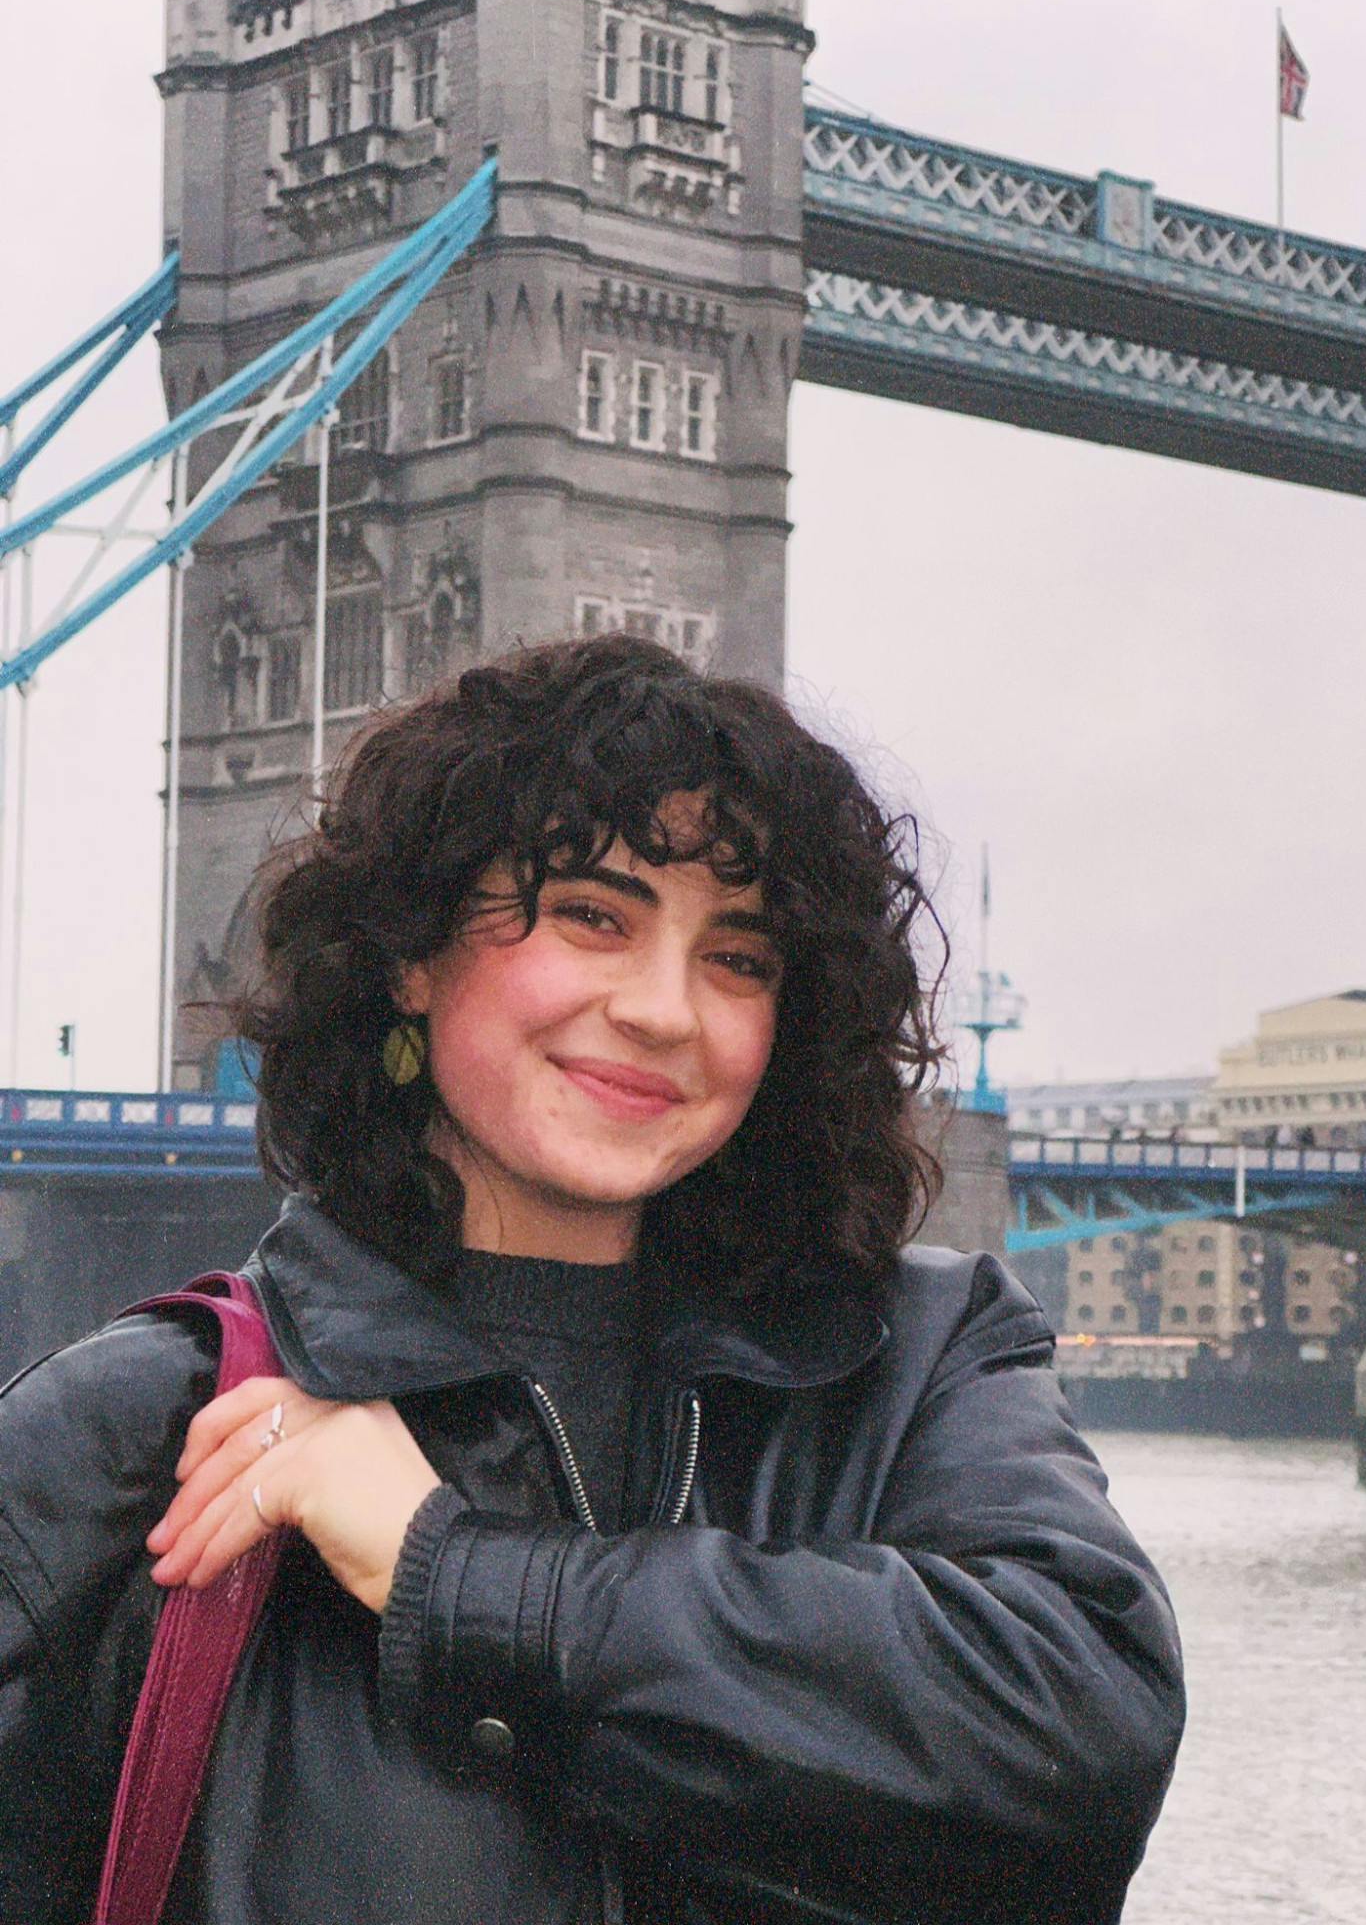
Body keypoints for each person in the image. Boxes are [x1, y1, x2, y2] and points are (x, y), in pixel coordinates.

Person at [0, 635, 1184, 1924]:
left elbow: (1090, 1737)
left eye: (739, 957)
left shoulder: (918, 1367)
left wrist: (460, 1581)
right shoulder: (141, 1429)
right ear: (411, 952)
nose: (665, 1010)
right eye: (592, 916)